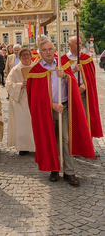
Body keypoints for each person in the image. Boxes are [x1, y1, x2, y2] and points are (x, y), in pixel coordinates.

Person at [27, 39, 95, 186]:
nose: (48, 52)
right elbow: (36, 97)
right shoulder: (36, 70)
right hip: (47, 110)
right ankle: (54, 169)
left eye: (50, 49)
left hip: (64, 108)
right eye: (45, 50)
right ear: (40, 52)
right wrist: (51, 104)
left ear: (54, 50)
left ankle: (70, 172)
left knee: (66, 139)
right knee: (50, 138)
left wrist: (64, 76)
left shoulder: (62, 64)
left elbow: (73, 84)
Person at [62, 36, 103, 139]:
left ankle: (88, 146)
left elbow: (91, 78)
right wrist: (74, 70)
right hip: (68, 93)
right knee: (72, 120)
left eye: (80, 43)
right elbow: (61, 78)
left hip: (83, 93)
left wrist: (85, 84)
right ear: (69, 45)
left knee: (85, 118)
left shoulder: (86, 59)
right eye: (76, 43)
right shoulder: (63, 60)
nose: (79, 45)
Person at [6, 48, 35, 155]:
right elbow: (8, 84)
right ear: (20, 57)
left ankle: (36, 145)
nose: (26, 57)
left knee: (34, 123)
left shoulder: (36, 68)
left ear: (31, 56)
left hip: (34, 99)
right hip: (20, 100)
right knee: (22, 124)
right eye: (23, 55)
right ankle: (23, 147)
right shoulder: (15, 70)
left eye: (28, 54)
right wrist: (20, 85)